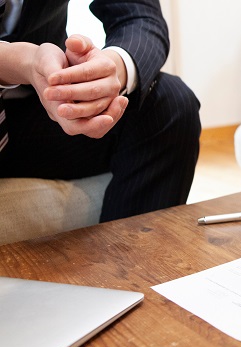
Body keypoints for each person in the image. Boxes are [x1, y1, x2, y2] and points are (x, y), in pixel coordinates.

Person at [0, 0, 201, 222]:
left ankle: (126, 256)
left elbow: (140, 16)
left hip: (38, 108)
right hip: (28, 75)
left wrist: (109, 71)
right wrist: (22, 62)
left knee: (169, 104)